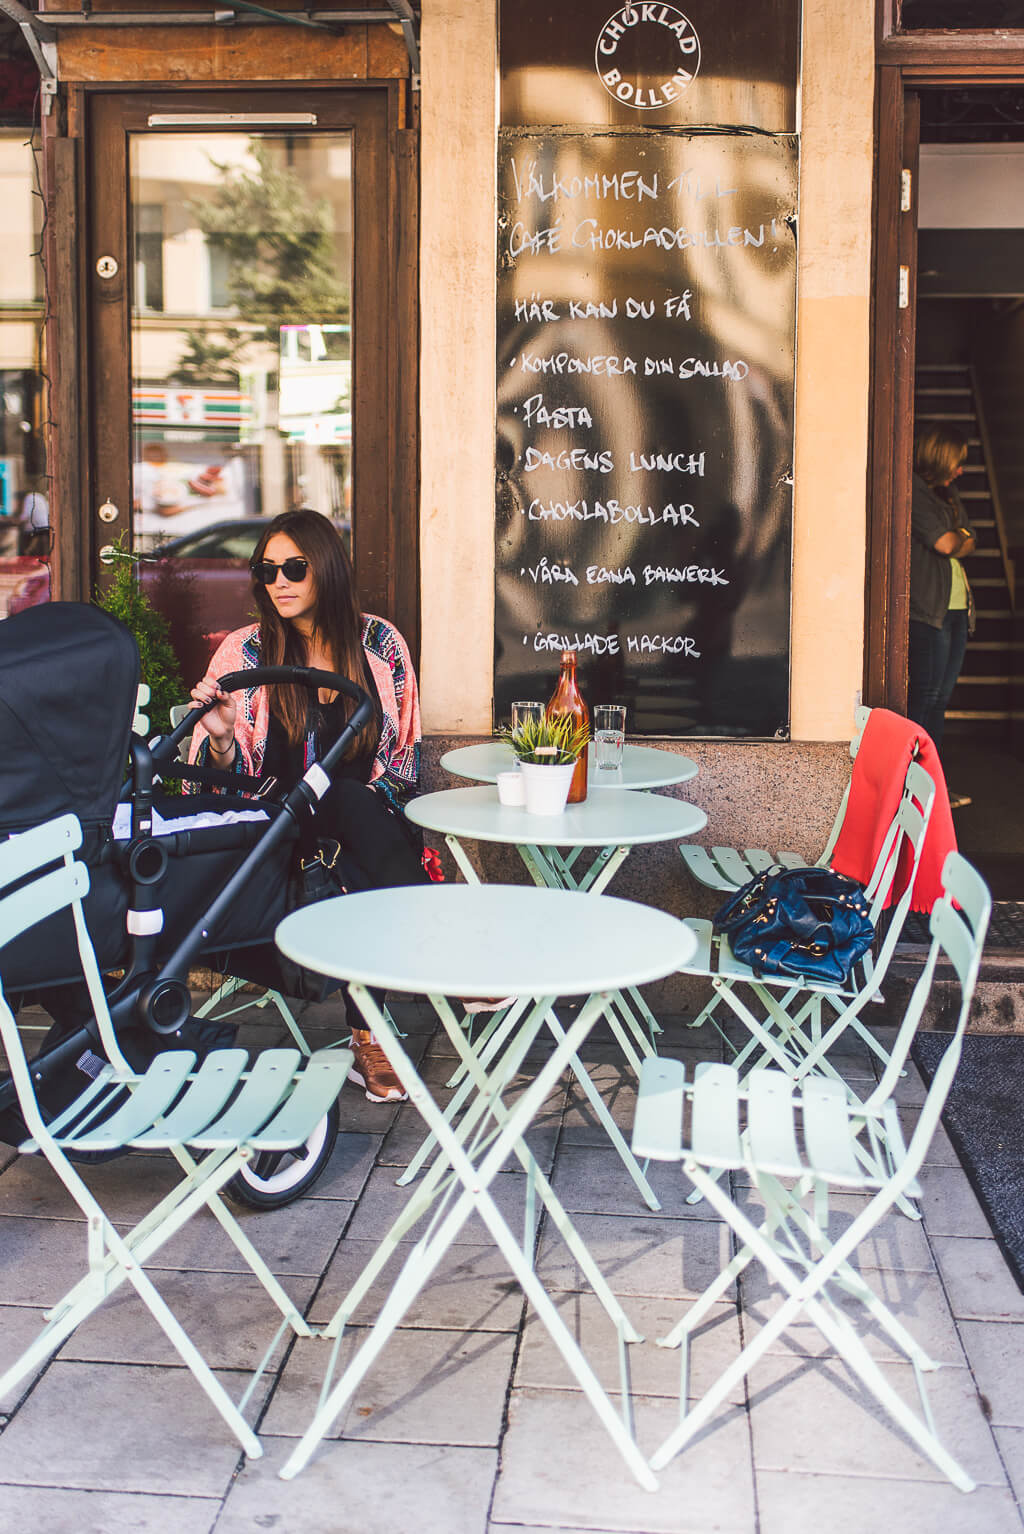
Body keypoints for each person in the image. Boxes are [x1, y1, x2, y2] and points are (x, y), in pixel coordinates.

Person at [189, 507, 428, 1103]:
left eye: (294, 567)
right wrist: (220, 736)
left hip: (362, 825)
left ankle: (370, 1034)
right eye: (266, 570)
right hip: (272, 830)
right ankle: (433, 965)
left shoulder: (378, 643)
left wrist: (364, 810)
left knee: (350, 808)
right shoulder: (243, 654)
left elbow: (403, 761)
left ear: (325, 567)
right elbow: (209, 791)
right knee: (339, 807)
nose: (279, 582)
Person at [907, 423, 975, 810]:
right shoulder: (913, 490)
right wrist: (959, 538)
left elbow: (972, 537)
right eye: (957, 463)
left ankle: (931, 787)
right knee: (924, 700)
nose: (961, 471)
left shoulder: (947, 495)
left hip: (955, 611)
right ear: (937, 458)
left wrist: (960, 538)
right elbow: (948, 541)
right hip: (927, 613)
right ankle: (913, 789)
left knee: (940, 700)